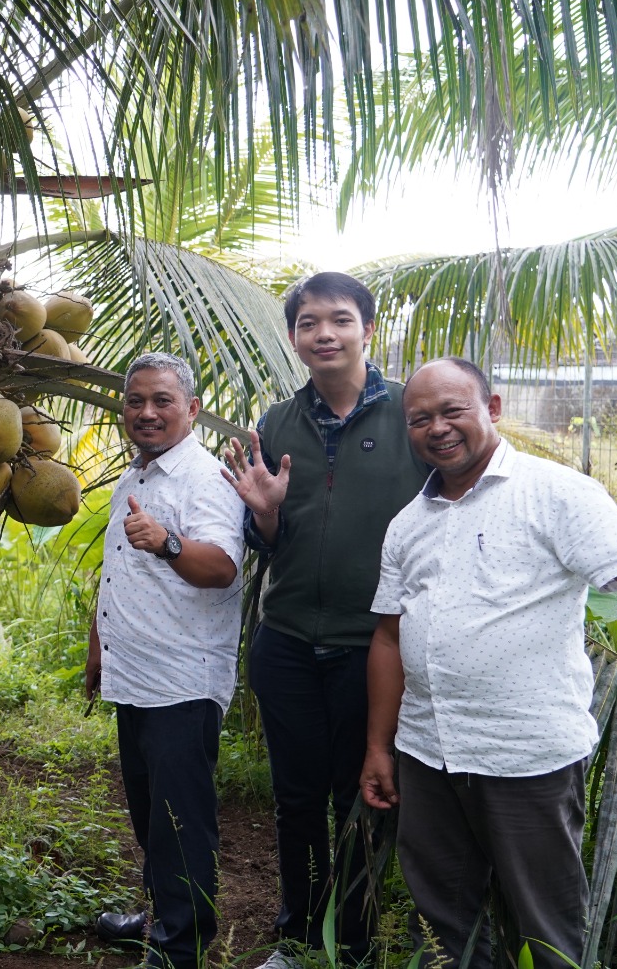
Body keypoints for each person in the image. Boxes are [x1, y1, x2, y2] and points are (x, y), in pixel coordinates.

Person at [361, 358, 617, 969]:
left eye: (453, 410)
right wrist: (379, 747)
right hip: (427, 751)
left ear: (491, 408)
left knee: (542, 925)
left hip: (525, 756)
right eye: (420, 419)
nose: (437, 427)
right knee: (444, 920)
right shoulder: (407, 524)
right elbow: (388, 637)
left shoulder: (556, 492)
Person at [219, 272, 429, 965]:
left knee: (365, 800)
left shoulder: (410, 416)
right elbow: (267, 544)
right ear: (295, 337)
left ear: (368, 328)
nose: (325, 334)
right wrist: (267, 514)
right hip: (285, 642)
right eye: (310, 323)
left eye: (340, 320)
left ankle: (358, 940)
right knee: (297, 797)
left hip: (375, 646)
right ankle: (301, 932)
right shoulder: (277, 423)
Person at [86, 354, 245, 969]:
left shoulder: (204, 479)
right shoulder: (137, 476)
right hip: (136, 670)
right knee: (150, 807)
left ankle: (182, 945)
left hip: (183, 676)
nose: (146, 412)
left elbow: (222, 567)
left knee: (182, 820)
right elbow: (117, 570)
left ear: (193, 410)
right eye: (135, 401)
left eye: (162, 401)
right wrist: (99, 645)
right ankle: (157, 916)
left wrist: (168, 541)